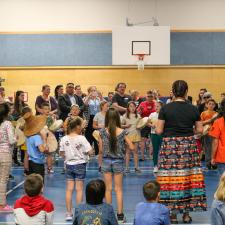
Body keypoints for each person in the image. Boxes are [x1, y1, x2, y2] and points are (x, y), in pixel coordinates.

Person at [156, 80, 207, 224]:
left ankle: (172, 215)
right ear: (186, 91)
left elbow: (159, 131)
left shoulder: (165, 109)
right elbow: (200, 130)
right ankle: (186, 215)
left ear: (172, 91)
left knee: (170, 179)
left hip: (170, 146)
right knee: (188, 179)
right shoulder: (193, 109)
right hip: (188, 146)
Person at [98, 108, 134, 223]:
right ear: (118, 118)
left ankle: (109, 216)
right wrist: (124, 148)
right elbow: (132, 147)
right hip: (118, 161)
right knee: (119, 190)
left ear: (107, 118)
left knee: (108, 189)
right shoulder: (122, 132)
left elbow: (100, 150)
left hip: (106, 161)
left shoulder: (102, 131)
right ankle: (120, 216)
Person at [60, 117, 93, 221]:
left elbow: (61, 153)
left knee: (69, 189)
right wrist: (87, 153)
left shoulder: (64, 138)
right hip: (80, 165)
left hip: (69, 165)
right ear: (78, 126)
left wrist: (67, 156)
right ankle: (78, 214)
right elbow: (90, 151)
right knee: (79, 189)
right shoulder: (82, 138)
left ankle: (69, 213)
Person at [23, 107, 48, 179]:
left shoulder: (28, 137)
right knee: (39, 183)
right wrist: (44, 139)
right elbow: (42, 150)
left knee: (32, 182)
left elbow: (27, 153)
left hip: (30, 162)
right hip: (37, 163)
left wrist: (26, 166)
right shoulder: (37, 137)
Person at [0, 103, 17, 212]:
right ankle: (2, 205)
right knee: (3, 179)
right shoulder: (7, 124)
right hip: (5, 154)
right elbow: (11, 140)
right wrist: (16, 138)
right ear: (6, 112)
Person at [122, 101, 141, 173]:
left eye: (134, 106)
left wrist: (140, 127)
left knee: (135, 152)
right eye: (130, 106)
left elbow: (140, 125)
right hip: (128, 136)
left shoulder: (138, 116)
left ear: (135, 107)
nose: (132, 108)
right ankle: (127, 168)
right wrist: (125, 126)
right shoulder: (125, 116)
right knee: (127, 152)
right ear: (128, 107)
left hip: (136, 135)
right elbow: (119, 125)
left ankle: (136, 167)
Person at [84, 86, 103, 155]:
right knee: (88, 136)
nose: (94, 92)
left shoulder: (98, 99)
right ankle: (88, 153)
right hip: (89, 119)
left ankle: (98, 153)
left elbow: (104, 105)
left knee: (97, 136)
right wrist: (89, 96)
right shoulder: (86, 98)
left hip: (97, 119)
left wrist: (101, 96)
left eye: (95, 90)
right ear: (89, 92)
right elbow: (85, 104)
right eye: (92, 91)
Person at [138, 91, 156, 161]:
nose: (149, 98)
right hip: (144, 124)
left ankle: (151, 155)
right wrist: (140, 112)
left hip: (153, 124)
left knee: (152, 140)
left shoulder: (156, 103)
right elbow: (138, 113)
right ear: (146, 97)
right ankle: (142, 156)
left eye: (151, 96)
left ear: (153, 97)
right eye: (148, 96)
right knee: (143, 140)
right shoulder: (142, 104)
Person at [201, 99, 218, 169]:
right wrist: (208, 123)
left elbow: (217, 124)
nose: (211, 105)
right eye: (209, 104)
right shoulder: (203, 113)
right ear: (206, 105)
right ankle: (208, 164)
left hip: (214, 133)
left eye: (212, 104)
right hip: (206, 133)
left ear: (214, 105)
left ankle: (214, 164)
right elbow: (201, 123)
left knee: (214, 149)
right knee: (207, 149)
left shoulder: (216, 114)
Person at [209, 99, 225, 176]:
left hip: (222, 156)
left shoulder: (218, 122)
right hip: (222, 156)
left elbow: (215, 142)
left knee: (223, 183)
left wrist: (212, 157)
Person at [148, 101, 163, 173]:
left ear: (161, 107)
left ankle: (163, 165)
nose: (156, 108)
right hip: (154, 134)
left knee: (163, 151)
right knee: (155, 150)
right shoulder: (152, 114)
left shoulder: (164, 114)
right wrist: (151, 125)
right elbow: (147, 123)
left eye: (158, 106)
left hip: (163, 134)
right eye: (155, 106)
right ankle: (155, 166)